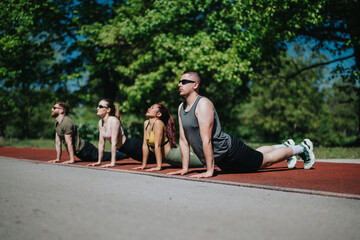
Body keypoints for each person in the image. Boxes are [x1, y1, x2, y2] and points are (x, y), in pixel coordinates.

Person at [167, 71, 315, 178]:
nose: (180, 84)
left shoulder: (203, 104)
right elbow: (184, 140)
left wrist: (209, 171)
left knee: (264, 160)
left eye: (184, 82)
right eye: (180, 82)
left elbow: (207, 140)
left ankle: (301, 148)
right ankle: (284, 145)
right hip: (221, 158)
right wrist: (185, 168)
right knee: (258, 154)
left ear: (195, 85)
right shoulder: (181, 107)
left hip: (230, 151)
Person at [48, 102, 128, 164]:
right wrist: (58, 159)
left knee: (107, 156)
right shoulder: (57, 124)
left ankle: (128, 153)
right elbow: (58, 143)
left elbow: (69, 142)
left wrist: (71, 160)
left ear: (61, 110)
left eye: (54, 108)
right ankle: (123, 152)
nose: (52, 109)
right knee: (105, 156)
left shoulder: (66, 122)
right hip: (81, 153)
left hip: (86, 150)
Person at [133, 103, 203, 171]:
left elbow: (158, 146)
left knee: (203, 162)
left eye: (153, 108)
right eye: (150, 107)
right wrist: (144, 165)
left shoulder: (158, 123)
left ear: (159, 114)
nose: (149, 109)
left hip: (176, 156)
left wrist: (158, 167)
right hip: (170, 161)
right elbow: (145, 145)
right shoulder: (146, 123)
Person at [88, 99, 156, 168]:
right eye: (98, 106)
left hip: (132, 147)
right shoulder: (100, 122)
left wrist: (112, 163)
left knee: (156, 160)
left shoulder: (114, 121)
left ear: (108, 110)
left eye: (100, 106)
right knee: (150, 161)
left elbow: (114, 143)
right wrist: (99, 161)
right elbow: (101, 143)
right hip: (124, 150)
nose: (97, 108)